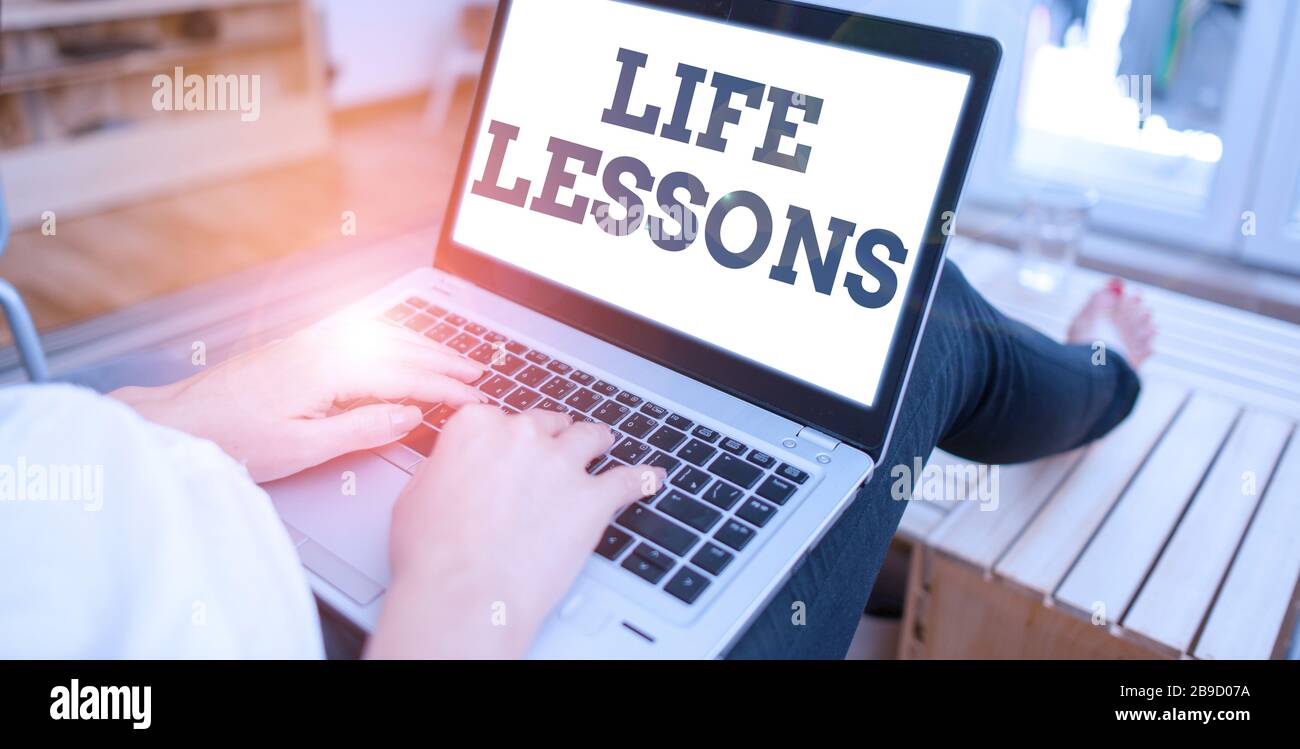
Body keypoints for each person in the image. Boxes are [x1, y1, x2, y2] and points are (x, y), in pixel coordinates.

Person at [0, 261, 1152, 658]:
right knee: (927, 327)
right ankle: (1103, 377)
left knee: (555, 331)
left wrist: (161, 419)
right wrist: (459, 596)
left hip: (211, 513)